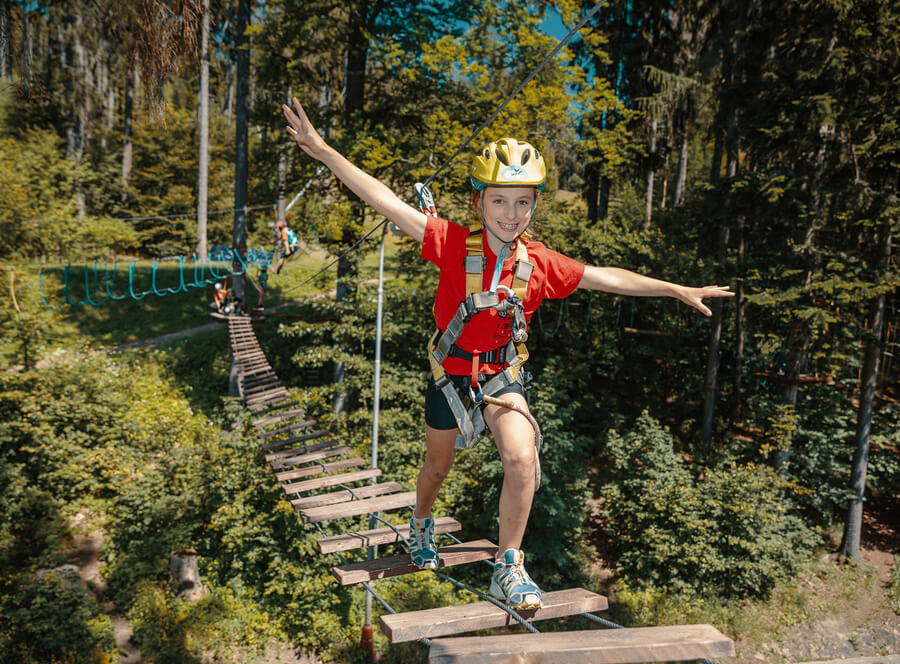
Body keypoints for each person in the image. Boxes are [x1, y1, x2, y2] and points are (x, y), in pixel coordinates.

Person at [282, 98, 734, 610]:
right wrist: (322, 151)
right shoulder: (451, 243)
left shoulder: (539, 263)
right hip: (450, 372)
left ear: (534, 206)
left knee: (523, 458)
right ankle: (421, 523)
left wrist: (673, 288)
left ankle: (508, 564)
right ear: (481, 203)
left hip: (500, 373)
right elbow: (385, 201)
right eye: (500, 201)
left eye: (523, 203)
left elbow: (606, 277)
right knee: (436, 466)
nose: (511, 214)